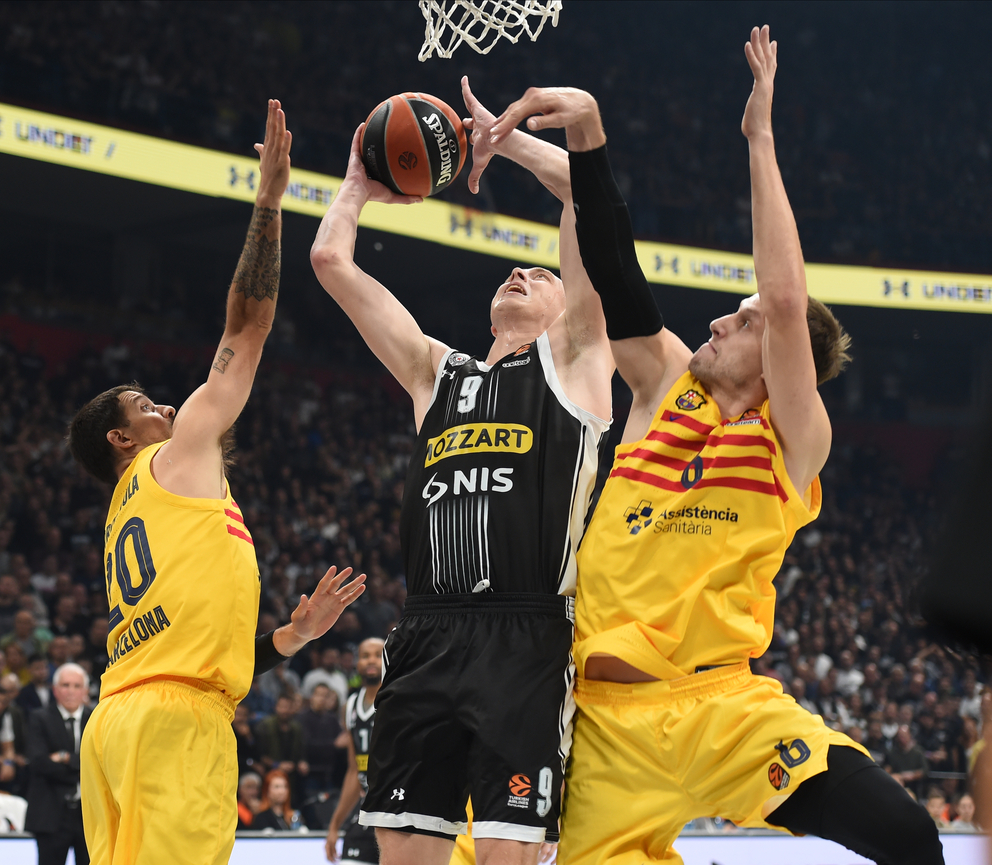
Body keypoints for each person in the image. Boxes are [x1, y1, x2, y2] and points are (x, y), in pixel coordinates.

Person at [485, 26, 942, 865]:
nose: (715, 321)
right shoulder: (664, 385)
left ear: (775, 356)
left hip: (721, 708)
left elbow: (784, 295)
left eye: (737, 322)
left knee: (910, 837)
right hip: (595, 727)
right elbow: (615, 265)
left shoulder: (794, 439)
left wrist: (759, 140)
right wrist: (545, 148)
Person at [310, 71, 617, 864]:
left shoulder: (579, 360)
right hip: (424, 632)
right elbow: (329, 261)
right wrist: (357, 183)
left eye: (541, 274)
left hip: (527, 634)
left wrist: (506, 142)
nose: (522, 273)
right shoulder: (434, 374)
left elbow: (588, 207)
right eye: (512, 273)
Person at [67, 101, 366, 865]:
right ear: (119, 438)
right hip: (174, 724)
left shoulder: (126, 513)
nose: (165, 404)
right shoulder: (177, 453)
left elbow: (190, 644)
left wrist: (289, 639)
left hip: (121, 720)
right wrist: (268, 203)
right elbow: (246, 327)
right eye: (144, 405)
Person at [26, 663, 92, 865]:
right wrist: (84, 766)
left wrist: (64, 758)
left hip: (89, 816)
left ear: (85, 691)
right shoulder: (39, 718)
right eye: (65, 685)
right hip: (50, 815)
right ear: (55, 690)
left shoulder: (98, 718)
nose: (71, 691)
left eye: (76, 685)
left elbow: (106, 762)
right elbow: (39, 763)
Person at [326, 637, 383, 865]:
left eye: (378, 655)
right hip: (366, 812)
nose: (371, 660)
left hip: (397, 811)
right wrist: (334, 825)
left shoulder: (398, 699)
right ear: (356, 663)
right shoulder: (350, 705)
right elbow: (354, 772)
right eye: (365, 655)